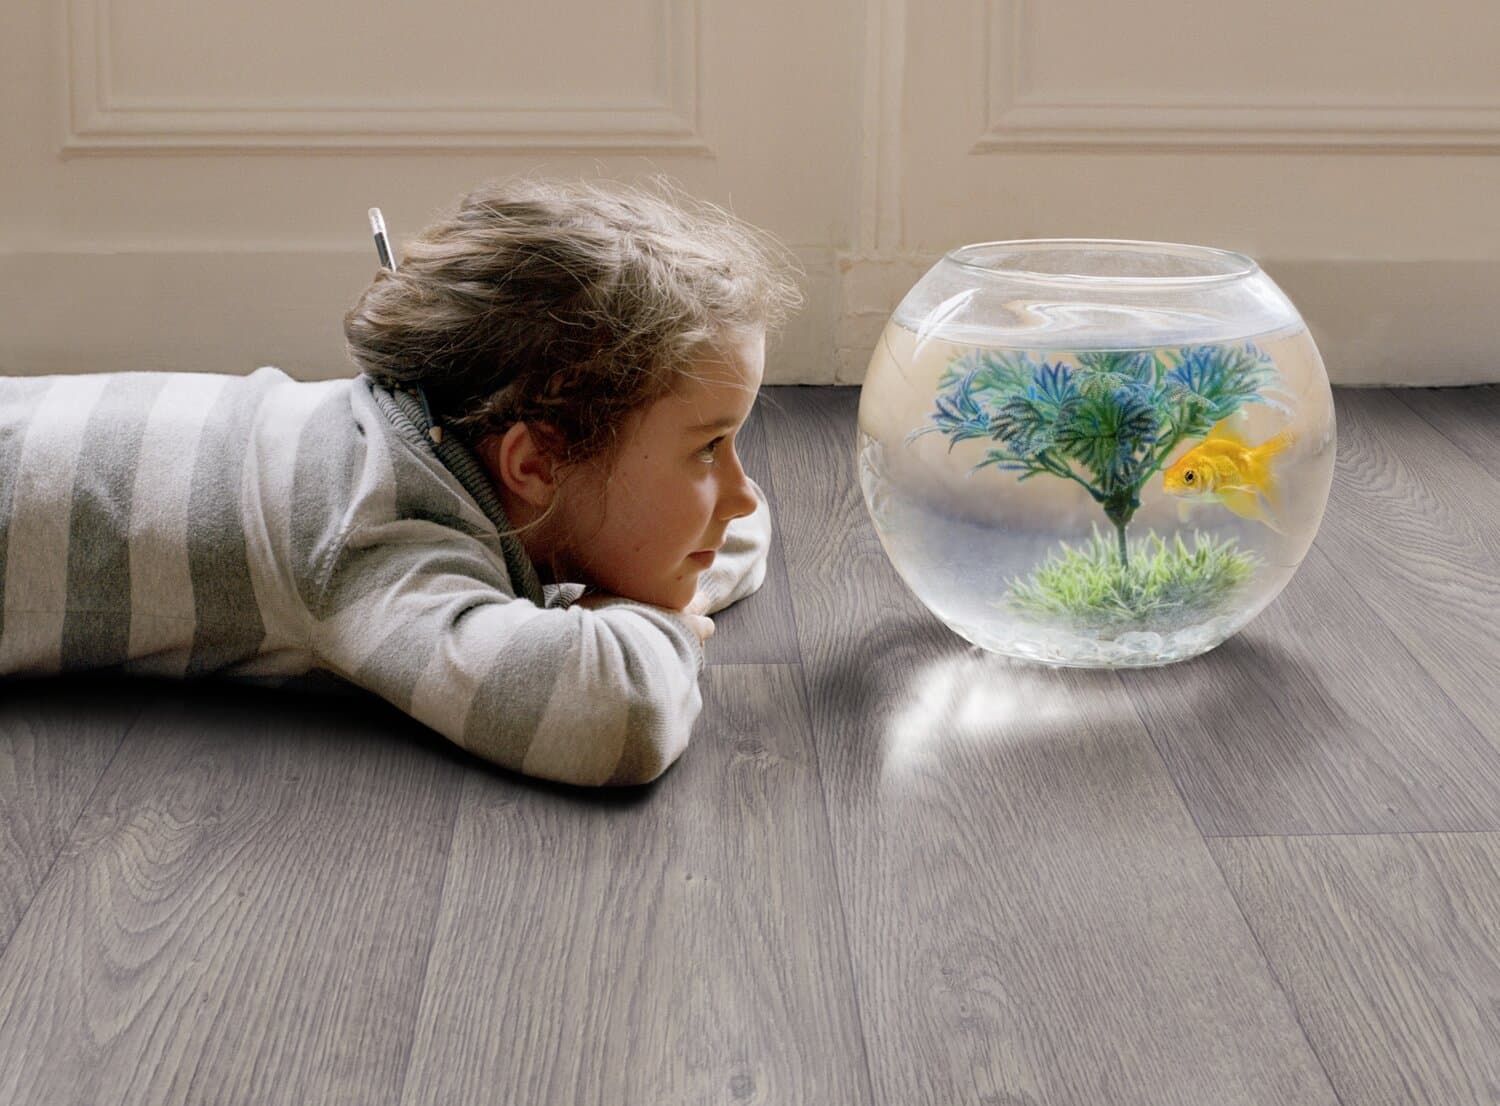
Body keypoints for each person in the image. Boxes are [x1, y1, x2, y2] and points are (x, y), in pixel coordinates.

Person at [0, 175, 803, 787]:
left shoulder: (420, 436)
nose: (740, 494)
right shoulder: (376, 540)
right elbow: (620, 714)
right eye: (708, 450)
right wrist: (656, 621)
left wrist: (646, 587)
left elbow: (736, 529)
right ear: (534, 463)